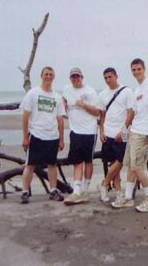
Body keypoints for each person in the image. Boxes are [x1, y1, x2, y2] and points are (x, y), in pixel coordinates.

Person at [111, 58, 148, 213]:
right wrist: (127, 130)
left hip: (144, 133)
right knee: (130, 165)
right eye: (134, 70)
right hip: (134, 131)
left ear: (144, 69)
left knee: (138, 167)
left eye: (139, 69)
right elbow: (136, 113)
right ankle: (128, 198)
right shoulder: (137, 90)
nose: (136, 72)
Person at [20, 66, 66, 204]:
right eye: (46, 74)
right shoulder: (33, 93)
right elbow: (25, 116)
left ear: (54, 77)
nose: (48, 76)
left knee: (52, 164)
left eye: (51, 74)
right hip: (36, 134)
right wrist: (25, 137)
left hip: (52, 136)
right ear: (41, 76)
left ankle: (53, 190)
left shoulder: (57, 97)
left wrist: (61, 139)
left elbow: (60, 119)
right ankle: (25, 192)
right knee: (30, 165)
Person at [62, 67, 100, 205]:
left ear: (82, 77)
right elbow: (63, 100)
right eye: (73, 77)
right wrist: (63, 103)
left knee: (88, 161)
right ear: (70, 78)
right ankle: (76, 191)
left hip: (90, 131)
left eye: (77, 76)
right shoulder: (67, 90)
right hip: (75, 131)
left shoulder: (90, 91)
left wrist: (84, 105)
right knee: (77, 161)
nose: (75, 79)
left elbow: (97, 112)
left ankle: (85, 190)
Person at [97, 67, 135, 202]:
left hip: (123, 132)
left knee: (121, 161)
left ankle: (104, 183)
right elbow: (102, 114)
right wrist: (101, 131)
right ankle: (118, 190)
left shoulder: (127, 91)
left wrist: (123, 130)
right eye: (105, 77)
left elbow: (131, 112)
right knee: (113, 162)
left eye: (110, 77)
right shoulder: (102, 94)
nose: (108, 80)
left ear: (116, 76)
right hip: (108, 132)